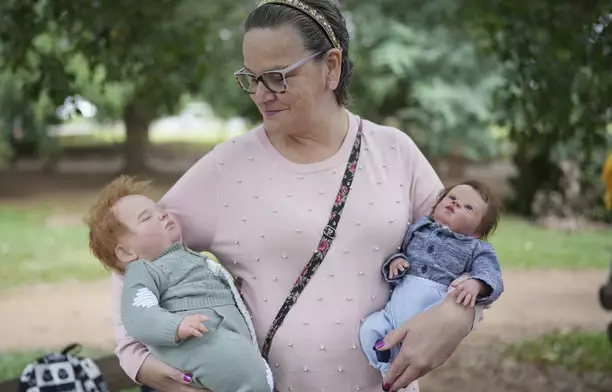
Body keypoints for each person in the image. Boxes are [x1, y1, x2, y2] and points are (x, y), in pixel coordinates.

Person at [110, 0, 485, 391]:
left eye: (277, 76)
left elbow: (468, 253)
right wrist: (139, 360)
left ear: (332, 67)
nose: (260, 94)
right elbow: (134, 260)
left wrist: (460, 317)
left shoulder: (395, 151)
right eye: (251, 78)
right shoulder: (226, 167)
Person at [85, 176, 274, 391]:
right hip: (195, 343)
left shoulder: (192, 258)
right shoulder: (143, 271)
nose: (163, 214)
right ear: (127, 252)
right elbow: (138, 315)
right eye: (147, 218)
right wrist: (174, 326)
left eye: (159, 210)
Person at [360, 181, 504, 377]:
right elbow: (401, 251)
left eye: (468, 207)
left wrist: (476, 283)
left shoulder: (476, 248)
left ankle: (396, 368)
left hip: (431, 308)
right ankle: (386, 369)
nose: (456, 204)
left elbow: (492, 275)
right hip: (394, 309)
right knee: (369, 329)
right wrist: (396, 261)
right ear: (436, 206)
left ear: (478, 232)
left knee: (415, 345)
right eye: (452, 198)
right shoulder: (419, 229)